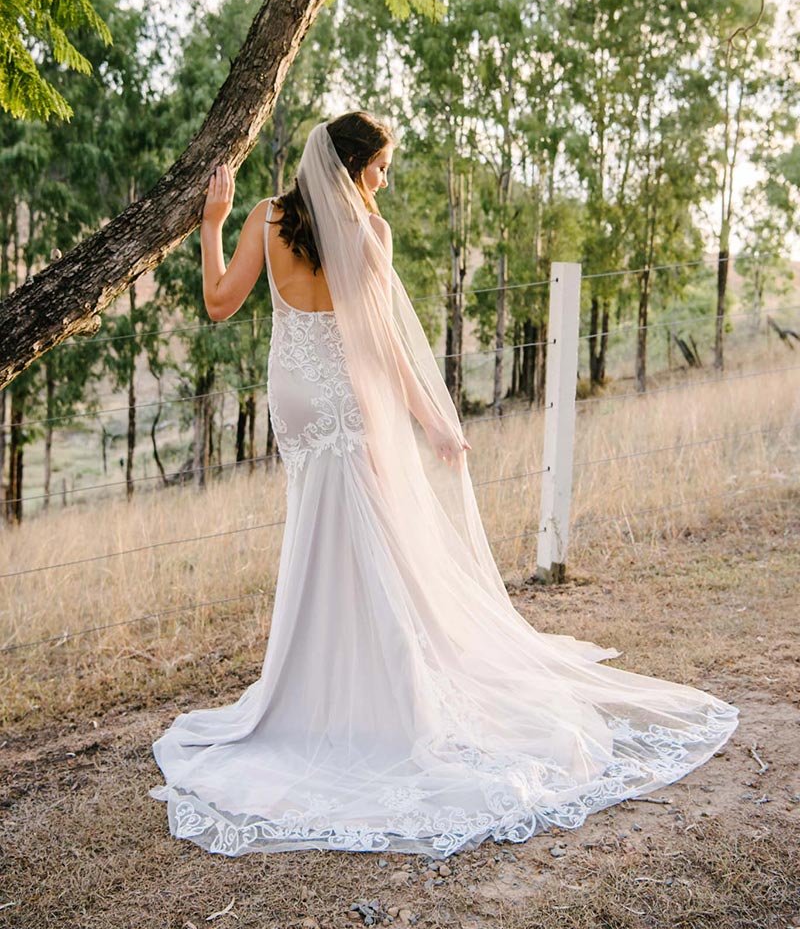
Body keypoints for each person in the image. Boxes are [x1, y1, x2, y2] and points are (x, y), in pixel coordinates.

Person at [150, 111, 738, 859]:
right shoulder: (370, 234)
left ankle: (309, 680)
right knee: (375, 535)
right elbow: (387, 348)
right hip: (350, 401)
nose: (384, 180)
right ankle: (379, 689)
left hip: (295, 402)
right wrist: (431, 418)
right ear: (353, 166)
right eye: (381, 166)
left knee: (319, 531)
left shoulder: (267, 217)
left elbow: (219, 303)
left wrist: (212, 223)